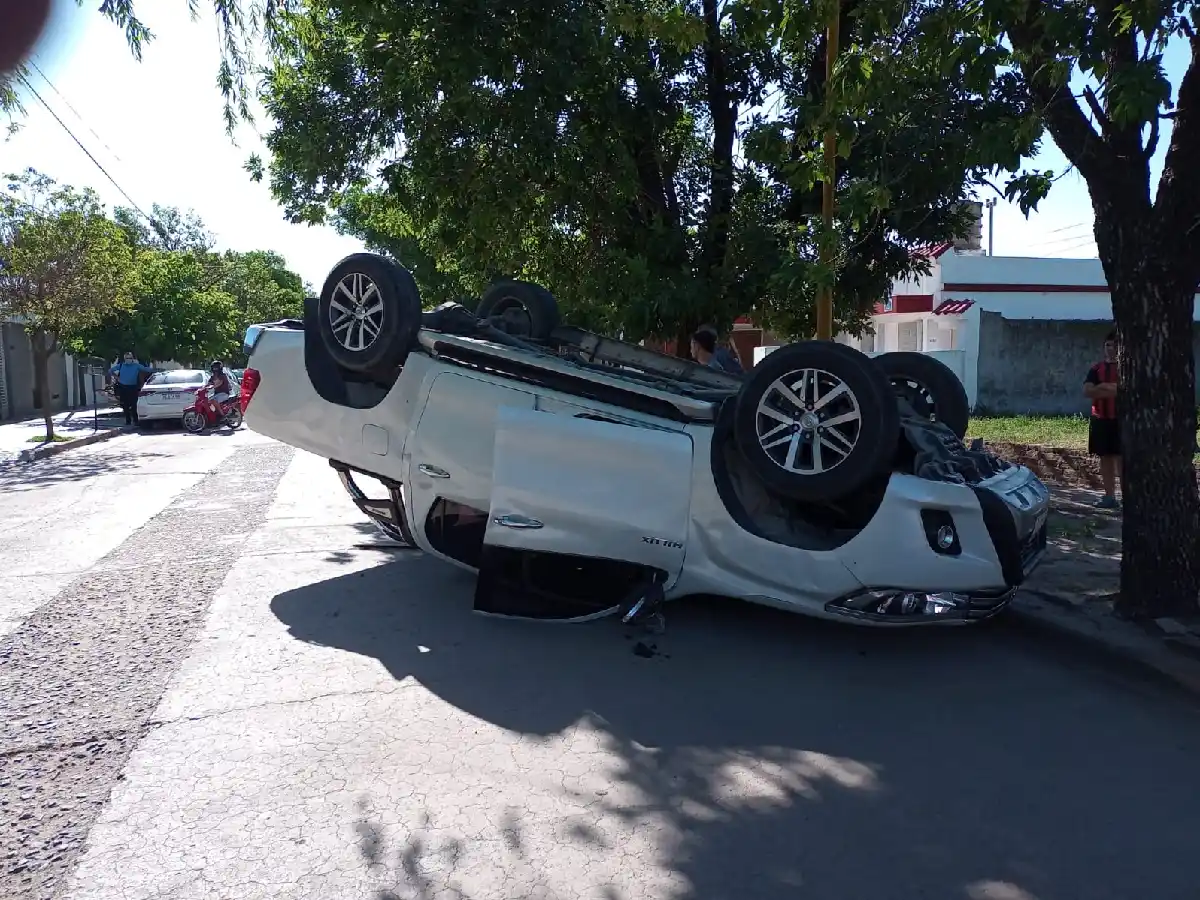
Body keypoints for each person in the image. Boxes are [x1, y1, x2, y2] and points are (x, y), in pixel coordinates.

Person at [1084, 330, 1121, 509]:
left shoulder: (1125, 368)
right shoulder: (1096, 369)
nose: (1111, 349)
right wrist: (1112, 388)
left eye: (1115, 345)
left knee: (1122, 460)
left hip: (1121, 420)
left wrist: (1102, 388)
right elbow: (1088, 391)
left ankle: (1128, 498)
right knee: (1105, 458)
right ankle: (1109, 497)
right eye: (1108, 345)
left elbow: (1125, 391)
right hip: (1100, 419)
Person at [109, 352, 154, 427]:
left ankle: (136, 421)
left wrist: (156, 370)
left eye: (130, 358)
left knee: (134, 405)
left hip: (133, 387)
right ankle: (128, 421)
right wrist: (117, 377)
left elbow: (147, 369)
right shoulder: (121, 365)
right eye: (127, 358)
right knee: (125, 405)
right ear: (124, 359)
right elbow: (110, 370)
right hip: (123, 387)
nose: (128, 359)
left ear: (132, 359)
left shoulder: (136, 366)